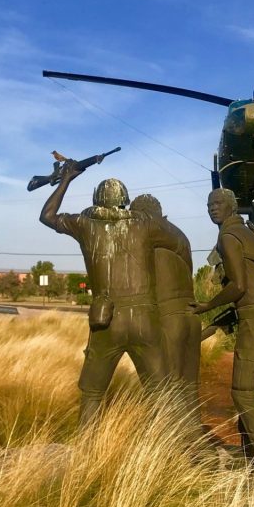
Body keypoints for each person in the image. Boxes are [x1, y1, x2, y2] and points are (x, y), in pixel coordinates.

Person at [40, 160, 182, 427]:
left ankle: (88, 451)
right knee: (160, 393)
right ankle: (166, 453)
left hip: (107, 321)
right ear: (125, 201)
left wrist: (66, 179)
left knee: (93, 394)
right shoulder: (147, 224)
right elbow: (179, 243)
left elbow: (46, 216)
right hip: (145, 321)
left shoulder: (84, 224)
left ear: (97, 199)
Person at [191, 188, 254, 474]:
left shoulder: (228, 237)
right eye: (209, 204)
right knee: (248, 391)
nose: (212, 208)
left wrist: (206, 305)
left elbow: (239, 287)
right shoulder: (247, 232)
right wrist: (207, 331)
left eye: (219, 203)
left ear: (232, 207)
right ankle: (250, 455)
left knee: (243, 393)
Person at [129, 194, 201, 410]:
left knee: (168, 385)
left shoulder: (146, 232)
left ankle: (169, 439)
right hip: (191, 316)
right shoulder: (180, 234)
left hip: (169, 317)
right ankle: (194, 437)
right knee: (190, 386)